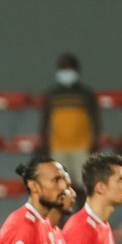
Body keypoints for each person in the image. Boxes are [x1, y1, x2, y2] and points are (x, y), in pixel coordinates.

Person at [39, 53, 100, 195]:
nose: (66, 71)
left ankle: (81, 216)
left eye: (69, 68)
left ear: (77, 70)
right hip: (58, 146)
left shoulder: (86, 93)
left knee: (84, 187)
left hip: (82, 146)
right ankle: (60, 218)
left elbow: (95, 119)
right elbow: (45, 120)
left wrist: (95, 139)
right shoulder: (51, 94)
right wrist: (43, 141)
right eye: (63, 68)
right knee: (59, 187)